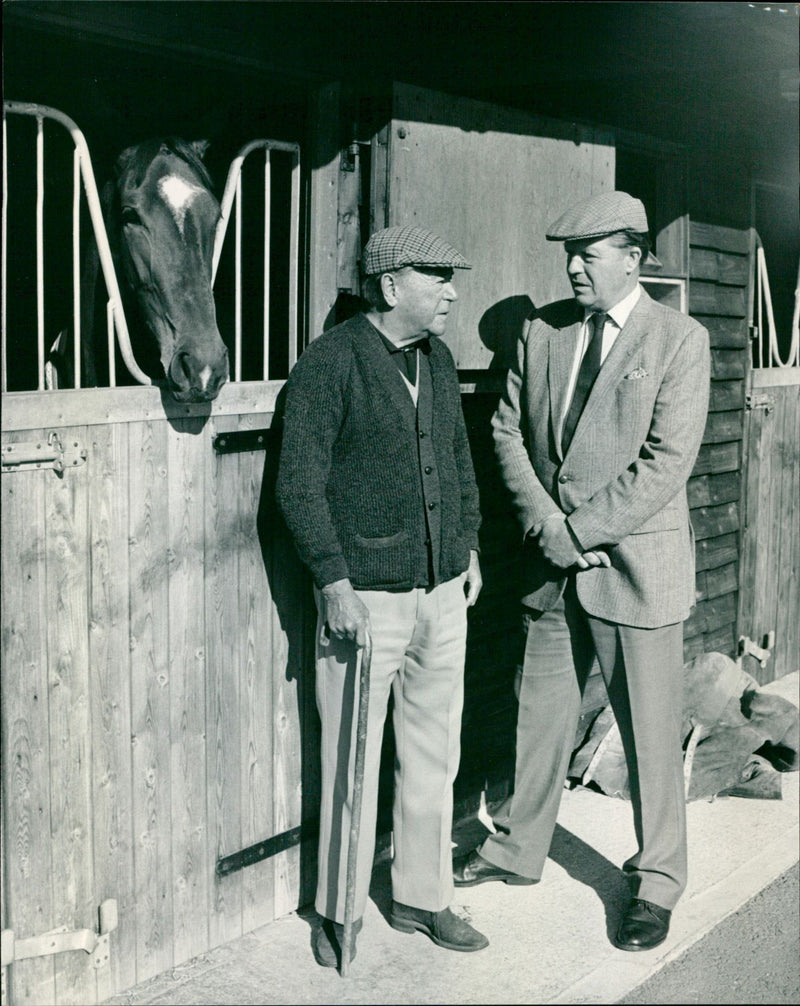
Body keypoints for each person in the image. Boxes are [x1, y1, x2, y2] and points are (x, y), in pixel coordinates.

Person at [453, 191, 710, 952]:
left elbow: (666, 462)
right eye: (568, 253)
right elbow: (507, 429)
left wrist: (580, 531)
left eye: (588, 254)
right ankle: (517, 849)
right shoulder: (542, 334)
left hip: (635, 565)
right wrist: (547, 526)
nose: (572, 267)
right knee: (540, 714)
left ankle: (657, 881)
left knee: (651, 734)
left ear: (631, 259)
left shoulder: (680, 340)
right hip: (552, 561)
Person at [276, 225, 488, 968]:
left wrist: (467, 550)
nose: (453, 292)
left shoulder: (436, 358)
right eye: (440, 278)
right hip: (365, 602)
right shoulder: (330, 363)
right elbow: (297, 485)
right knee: (351, 761)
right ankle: (339, 913)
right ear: (392, 284)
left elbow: (460, 463)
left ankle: (422, 898)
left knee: (436, 753)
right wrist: (332, 579)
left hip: (440, 594)